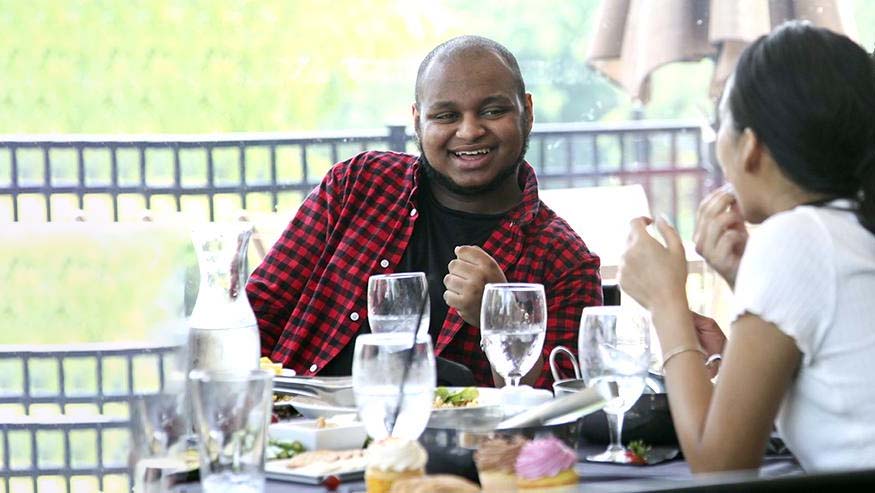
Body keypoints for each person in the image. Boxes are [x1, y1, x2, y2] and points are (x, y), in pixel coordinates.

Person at [246, 35, 602, 389]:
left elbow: (555, 419)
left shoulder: (564, 260)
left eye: (493, 111)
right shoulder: (357, 185)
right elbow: (258, 314)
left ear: (527, 111)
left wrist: (500, 320)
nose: (470, 130)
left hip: (452, 444)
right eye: (446, 116)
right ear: (417, 121)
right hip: (300, 429)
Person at [618, 22, 875, 473]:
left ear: (751, 146)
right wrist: (742, 282)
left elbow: (720, 467)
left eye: (721, 126)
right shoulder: (848, 226)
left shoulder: (798, 238)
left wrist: (666, 302)